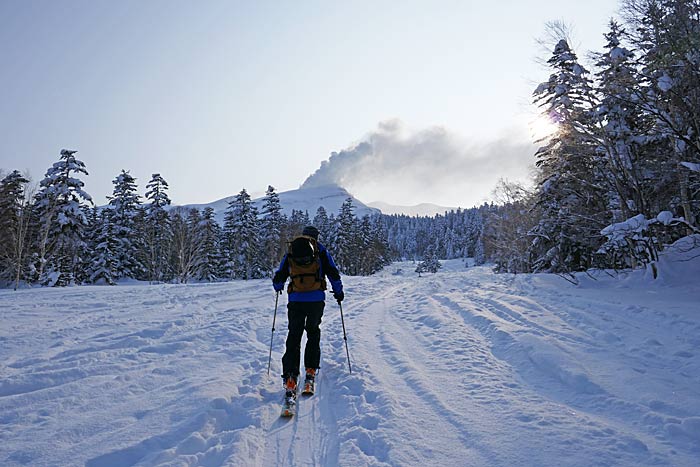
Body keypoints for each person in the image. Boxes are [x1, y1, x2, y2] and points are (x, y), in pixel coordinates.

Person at [272, 225, 344, 399]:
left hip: (296, 300)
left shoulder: (292, 250)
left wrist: (278, 286)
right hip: (316, 300)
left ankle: (290, 376)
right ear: (316, 237)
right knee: (313, 332)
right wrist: (339, 292)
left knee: (294, 335)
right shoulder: (320, 251)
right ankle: (310, 369)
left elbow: (280, 275)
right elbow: (333, 273)